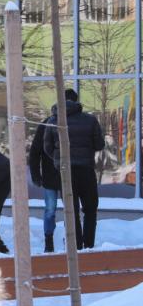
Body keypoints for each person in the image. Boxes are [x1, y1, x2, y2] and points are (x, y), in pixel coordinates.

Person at [43, 88, 105, 249]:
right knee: (90, 209)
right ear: (77, 102)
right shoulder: (90, 120)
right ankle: (89, 245)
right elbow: (99, 144)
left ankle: (76, 246)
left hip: (64, 172)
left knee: (71, 211)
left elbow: (47, 147)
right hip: (86, 170)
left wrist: (59, 160)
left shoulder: (53, 120)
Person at [29, 111, 62, 252]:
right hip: (58, 174)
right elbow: (35, 151)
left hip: (51, 175)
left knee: (50, 210)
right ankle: (52, 241)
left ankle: (50, 241)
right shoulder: (46, 124)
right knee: (58, 210)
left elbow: (35, 152)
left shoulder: (46, 123)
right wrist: (36, 174)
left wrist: (36, 175)